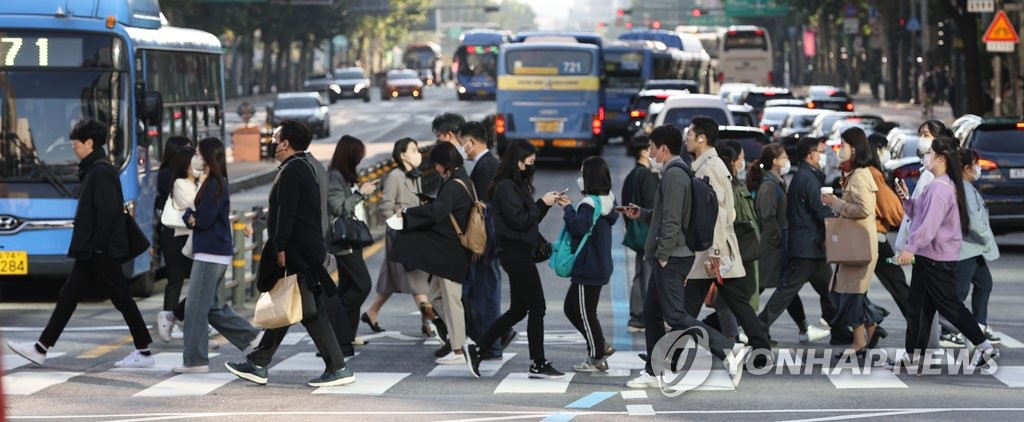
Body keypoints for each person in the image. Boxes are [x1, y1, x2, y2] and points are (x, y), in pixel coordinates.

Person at [6, 120, 154, 368]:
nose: (73, 147)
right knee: (71, 296)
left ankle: (144, 351)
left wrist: (97, 247)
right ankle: (41, 347)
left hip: (98, 251)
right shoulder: (95, 169)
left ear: (89, 143)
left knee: (119, 298)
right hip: (93, 250)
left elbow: (107, 214)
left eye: (76, 142)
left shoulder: (100, 171)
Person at [226, 119, 355, 388]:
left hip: (298, 251)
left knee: (305, 308)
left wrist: (281, 248)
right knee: (295, 305)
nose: (271, 142)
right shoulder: (302, 167)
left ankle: (336, 366)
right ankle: (260, 361)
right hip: (306, 249)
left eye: (274, 137)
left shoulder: (292, 171)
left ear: (285, 143)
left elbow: (286, 214)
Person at [619, 125, 740, 389]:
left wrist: (663, 255)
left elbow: (673, 219)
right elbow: (669, 213)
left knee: (675, 315)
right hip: (671, 255)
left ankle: (728, 349)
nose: (649, 153)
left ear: (663, 148)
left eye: (651, 148)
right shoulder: (676, 172)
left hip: (673, 257)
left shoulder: (674, 174)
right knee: (652, 312)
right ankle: (654, 371)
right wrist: (643, 212)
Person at [893, 136, 999, 368]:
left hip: (935, 258)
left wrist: (910, 248)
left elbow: (929, 226)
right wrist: (906, 200)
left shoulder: (940, 188)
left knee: (949, 306)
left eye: (929, 152)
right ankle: (914, 356)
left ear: (941, 157)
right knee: (919, 307)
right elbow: (920, 214)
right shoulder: (941, 184)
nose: (926, 156)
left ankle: (984, 347)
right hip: (932, 256)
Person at [466, 139, 567, 379]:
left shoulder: (516, 184)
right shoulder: (505, 186)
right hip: (514, 253)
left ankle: (479, 348)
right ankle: (538, 363)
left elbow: (528, 221)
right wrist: (542, 202)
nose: (532, 166)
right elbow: (520, 220)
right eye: (529, 162)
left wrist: (545, 205)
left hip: (519, 250)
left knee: (519, 310)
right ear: (518, 162)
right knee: (537, 307)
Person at [680, 117, 771, 363]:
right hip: (712, 251)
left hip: (713, 252)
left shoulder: (711, 167)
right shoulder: (704, 165)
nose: (686, 137)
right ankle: (762, 350)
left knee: (686, 310)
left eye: (690, 133)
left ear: (702, 138)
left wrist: (716, 254)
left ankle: (669, 356)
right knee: (729, 305)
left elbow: (719, 214)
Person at [175, 138, 263, 374]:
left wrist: (189, 216)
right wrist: (190, 216)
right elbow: (195, 216)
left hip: (210, 253)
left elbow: (202, 219)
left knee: (194, 307)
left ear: (207, 157)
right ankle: (252, 339)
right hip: (212, 251)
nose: (195, 156)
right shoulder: (212, 181)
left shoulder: (215, 183)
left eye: (198, 153)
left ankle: (195, 360)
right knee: (212, 307)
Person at [391, 142, 474, 367]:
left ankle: (458, 348)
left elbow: (437, 212)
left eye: (437, 164)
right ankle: (461, 337)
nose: (435, 168)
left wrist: (408, 213)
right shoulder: (462, 180)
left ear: (445, 164)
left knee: (451, 300)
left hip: (450, 253)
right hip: (449, 253)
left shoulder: (454, 185)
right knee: (437, 297)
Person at [758, 137, 839, 343]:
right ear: (812, 155)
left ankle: (842, 327)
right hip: (807, 248)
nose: (823, 156)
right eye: (821, 152)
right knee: (788, 291)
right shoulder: (807, 178)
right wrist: (838, 217)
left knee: (830, 289)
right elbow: (819, 209)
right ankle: (758, 327)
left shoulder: (806, 176)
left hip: (810, 246)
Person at [820, 128, 885, 357]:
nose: (840, 149)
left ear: (855, 149)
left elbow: (864, 208)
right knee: (850, 293)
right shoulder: (855, 173)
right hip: (855, 245)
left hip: (859, 246)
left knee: (850, 295)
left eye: (844, 145)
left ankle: (861, 339)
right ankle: (871, 326)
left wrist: (835, 203)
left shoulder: (859, 175)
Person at [364, 138, 435, 336]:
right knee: (416, 276)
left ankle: (372, 312)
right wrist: (398, 229)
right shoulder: (395, 176)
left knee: (393, 278)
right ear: (402, 155)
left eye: (417, 150)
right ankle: (430, 320)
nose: (417, 154)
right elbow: (386, 206)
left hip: (414, 232)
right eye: (413, 150)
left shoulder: (415, 175)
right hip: (401, 235)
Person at [561, 156, 618, 372]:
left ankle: (596, 355)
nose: (579, 177)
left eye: (582, 172)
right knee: (572, 308)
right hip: (599, 264)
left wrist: (567, 209)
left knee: (585, 313)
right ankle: (599, 344)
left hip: (588, 266)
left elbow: (577, 229)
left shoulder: (588, 204)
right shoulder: (609, 200)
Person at [459, 122, 509, 359]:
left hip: (487, 245)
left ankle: (491, 344)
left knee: (486, 295)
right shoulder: (488, 164)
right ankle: (491, 340)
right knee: (483, 293)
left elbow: (484, 212)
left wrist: (481, 244)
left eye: (462, 143)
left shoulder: (486, 167)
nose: (462, 148)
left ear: (473, 141)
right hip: (489, 244)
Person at [327, 135, 376, 354]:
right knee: (361, 285)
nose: (359, 161)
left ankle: (344, 340)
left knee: (348, 286)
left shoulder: (345, 176)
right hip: (343, 241)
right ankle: (336, 331)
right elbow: (339, 208)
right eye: (358, 156)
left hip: (352, 240)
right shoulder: (335, 177)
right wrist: (360, 193)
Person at [953, 148, 1001, 342]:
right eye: (976, 164)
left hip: (973, 248)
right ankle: (951, 328)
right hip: (966, 248)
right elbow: (973, 220)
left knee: (985, 283)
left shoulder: (965, 186)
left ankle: (979, 325)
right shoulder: (963, 188)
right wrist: (987, 239)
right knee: (957, 295)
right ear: (966, 168)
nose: (979, 168)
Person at [866, 134, 910, 323]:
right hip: (876, 239)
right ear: (877, 150)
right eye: (884, 148)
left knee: (852, 287)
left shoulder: (858, 170)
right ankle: (924, 323)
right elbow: (894, 210)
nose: (886, 153)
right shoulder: (874, 174)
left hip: (864, 237)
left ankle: (864, 321)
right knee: (897, 283)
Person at [155, 138, 195, 342]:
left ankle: (179, 317)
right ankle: (168, 319)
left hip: (190, 232)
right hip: (173, 232)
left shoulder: (191, 174)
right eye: (188, 150)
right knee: (175, 278)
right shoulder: (166, 175)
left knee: (198, 279)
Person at [621, 135, 658, 333]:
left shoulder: (631, 175)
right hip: (648, 234)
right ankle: (641, 316)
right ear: (644, 152)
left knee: (640, 274)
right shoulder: (647, 176)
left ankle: (636, 316)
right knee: (647, 276)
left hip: (637, 233)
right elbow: (652, 208)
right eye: (651, 148)